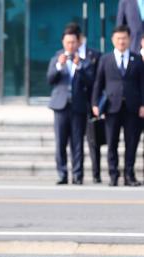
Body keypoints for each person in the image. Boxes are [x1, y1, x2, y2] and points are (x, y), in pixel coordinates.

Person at [92, 25, 144, 186]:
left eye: (124, 38)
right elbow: (98, 83)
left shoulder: (137, 60)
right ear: (113, 40)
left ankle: (129, 175)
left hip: (132, 107)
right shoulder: (105, 59)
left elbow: (142, 84)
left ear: (129, 40)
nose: (121, 41)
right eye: (118, 38)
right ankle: (113, 175)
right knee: (111, 142)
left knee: (132, 142)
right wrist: (95, 104)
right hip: (111, 107)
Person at [47, 26, 95, 185]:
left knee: (77, 143)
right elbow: (50, 79)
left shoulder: (84, 61)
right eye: (68, 42)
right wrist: (59, 66)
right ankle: (62, 174)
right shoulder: (56, 58)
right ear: (63, 42)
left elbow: (91, 81)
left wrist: (80, 66)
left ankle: (78, 175)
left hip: (78, 107)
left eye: (73, 42)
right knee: (60, 142)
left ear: (78, 43)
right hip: (61, 106)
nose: (70, 45)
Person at [68, 22, 104, 183]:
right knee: (76, 141)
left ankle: (96, 174)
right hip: (74, 105)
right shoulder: (65, 56)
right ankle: (78, 174)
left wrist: (97, 103)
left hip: (90, 104)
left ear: (81, 38)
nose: (73, 43)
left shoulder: (95, 55)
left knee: (93, 140)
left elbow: (97, 81)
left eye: (76, 39)